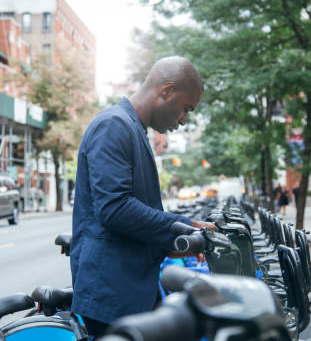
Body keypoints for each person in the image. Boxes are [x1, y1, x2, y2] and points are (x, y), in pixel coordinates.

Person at [70, 56, 215, 337]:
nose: (184, 120)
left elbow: (138, 214)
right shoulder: (114, 125)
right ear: (167, 91)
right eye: (186, 108)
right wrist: (180, 227)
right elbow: (115, 208)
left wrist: (183, 234)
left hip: (131, 289)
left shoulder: (133, 129)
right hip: (112, 293)